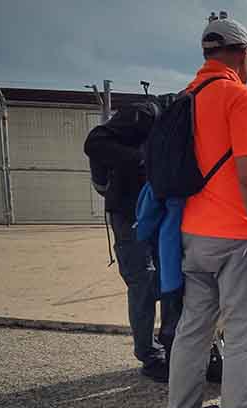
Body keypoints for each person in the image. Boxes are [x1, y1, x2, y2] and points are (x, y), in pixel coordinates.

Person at [160, 12, 247, 408]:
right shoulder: (239, 96)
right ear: (240, 53)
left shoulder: (186, 98)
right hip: (235, 236)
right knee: (243, 333)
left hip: (193, 233)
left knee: (194, 327)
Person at [84, 101, 171, 383]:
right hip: (129, 211)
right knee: (143, 282)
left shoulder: (185, 124)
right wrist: (143, 161)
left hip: (160, 213)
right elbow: (95, 142)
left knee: (170, 279)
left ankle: (170, 346)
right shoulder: (147, 113)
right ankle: (149, 355)